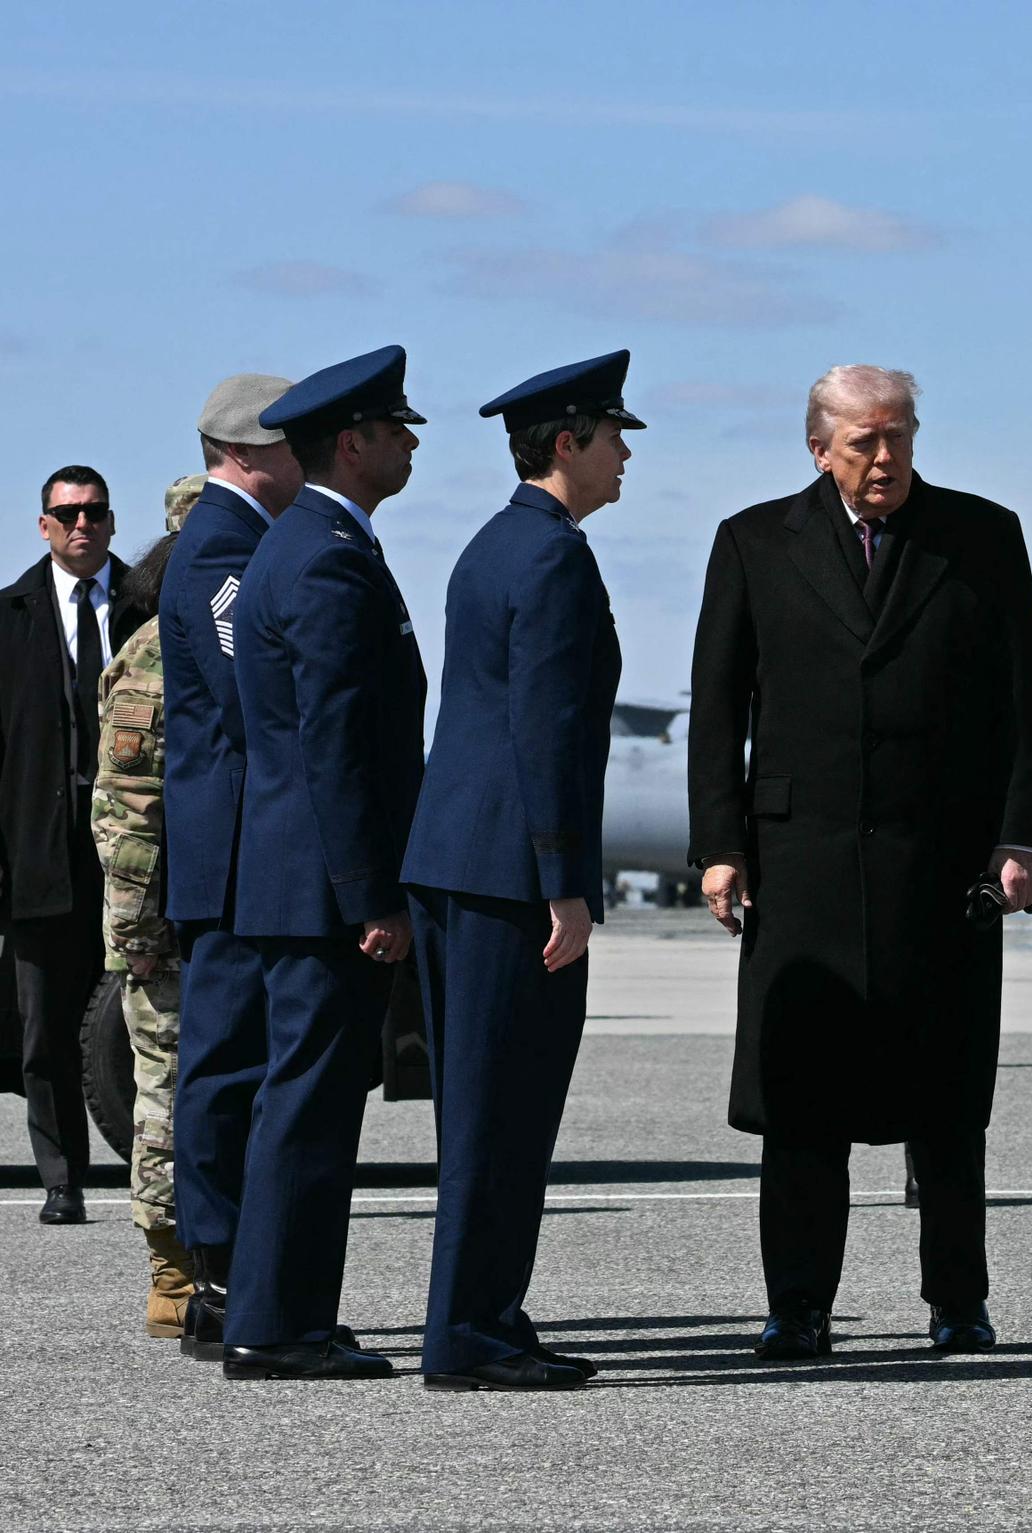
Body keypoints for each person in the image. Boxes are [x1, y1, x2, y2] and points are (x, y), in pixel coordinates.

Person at [687, 364, 1032, 1359]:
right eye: (863, 443)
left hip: (942, 864)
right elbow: (719, 709)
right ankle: (798, 1306)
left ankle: (957, 1301)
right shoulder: (755, 542)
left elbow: (1023, 701)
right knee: (801, 1102)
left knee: (947, 1102)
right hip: (799, 863)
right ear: (820, 447)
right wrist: (720, 847)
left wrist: (1021, 838)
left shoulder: (981, 536)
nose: (885, 459)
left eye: (898, 437)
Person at [399, 352, 639, 1392]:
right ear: (566, 443)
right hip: (509, 877)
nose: (626, 453)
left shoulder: (493, 545)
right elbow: (546, 730)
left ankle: (488, 1310)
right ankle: (469, 1334)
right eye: (614, 435)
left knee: (481, 1107)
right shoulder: (550, 560)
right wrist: (563, 881)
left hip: (461, 862)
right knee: (508, 1107)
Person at [219, 346, 427, 1381]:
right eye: (397, 429)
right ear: (353, 443)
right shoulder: (327, 556)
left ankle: (288, 1309)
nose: (410, 443)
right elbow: (338, 744)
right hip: (321, 888)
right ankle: (272, 1325)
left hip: (302, 878)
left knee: (305, 1102)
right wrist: (371, 896)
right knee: (306, 1107)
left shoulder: (314, 541)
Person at [158, 372, 303, 1360]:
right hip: (239, 848)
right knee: (223, 1062)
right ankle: (215, 1273)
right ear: (251, 453)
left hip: (242, 843)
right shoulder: (223, 553)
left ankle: (229, 1269)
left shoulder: (240, 546)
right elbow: (253, 687)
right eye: (298, 444)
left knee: (231, 1059)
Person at [0, 465, 128, 1224]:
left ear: (111, 523)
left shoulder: (149, 608)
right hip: (39, 854)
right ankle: (60, 1175)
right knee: (44, 1022)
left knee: (143, 1014)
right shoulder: (8, 616)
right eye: (67, 514)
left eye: (95, 513)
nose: (82, 526)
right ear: (43, 526)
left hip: (137, 854)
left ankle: (167, 1169)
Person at [92, 473, 202, 1335]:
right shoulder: (159, 650)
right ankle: (172, 1271)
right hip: (163, 922)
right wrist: (138, 929)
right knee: (163, 1088)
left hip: (210, 912)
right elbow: (128, 807)